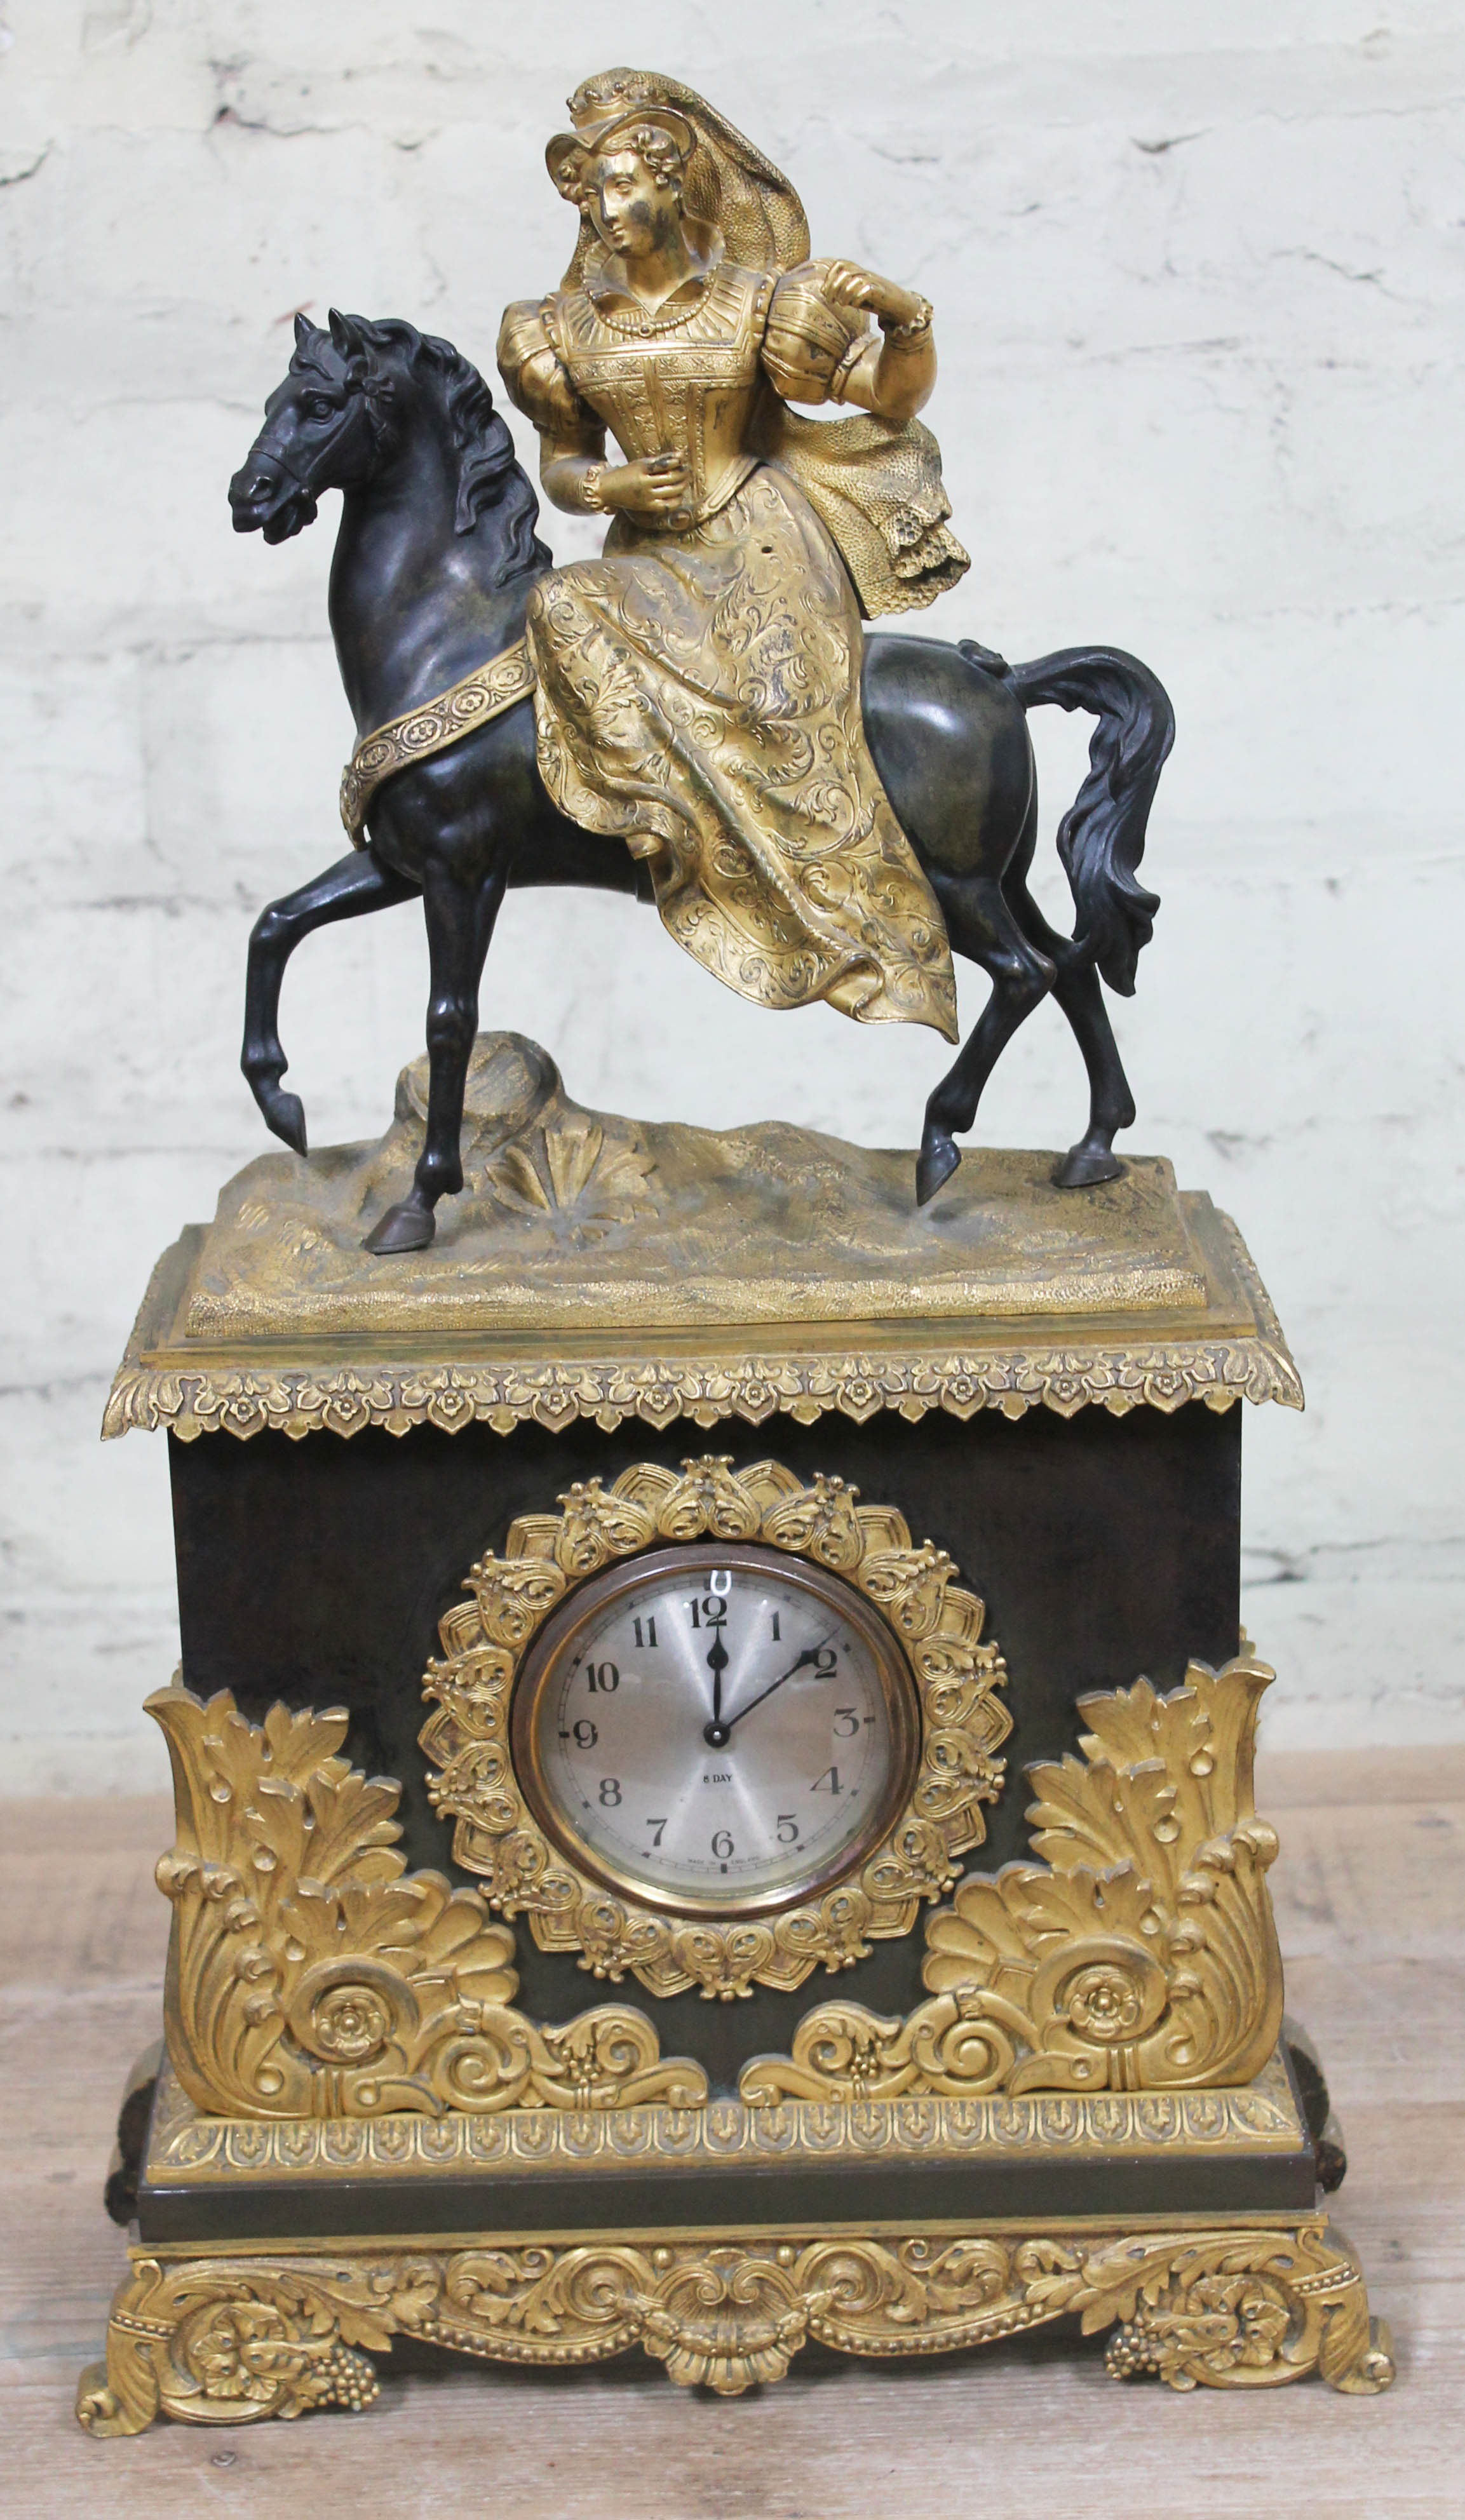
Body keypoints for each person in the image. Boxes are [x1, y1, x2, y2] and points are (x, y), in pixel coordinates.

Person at [497, 67, 970, 1039]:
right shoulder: (556, 331)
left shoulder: (760, 303)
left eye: (626, 186)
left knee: (780, 705)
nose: (609, 210)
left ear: (674, 186)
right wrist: (608, 490)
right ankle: (670, 821)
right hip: (648, 559)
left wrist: (903, 311)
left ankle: (846, 929)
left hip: (760, 541)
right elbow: (563, 464)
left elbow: (888, 396)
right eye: (592, 193)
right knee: (560, 605)